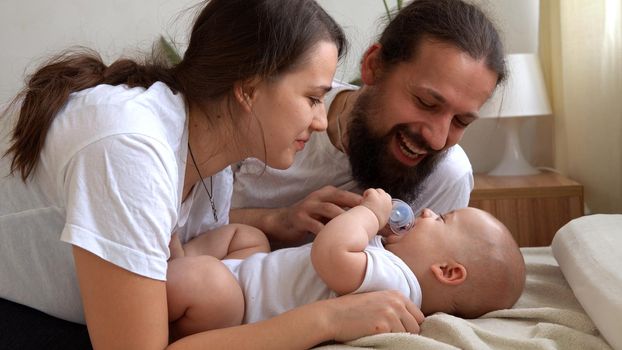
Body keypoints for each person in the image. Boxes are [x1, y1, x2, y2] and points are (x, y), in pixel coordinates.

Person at [0, 1, 425, 349]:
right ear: (249, 88)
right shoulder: (130, 148)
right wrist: (327, 318)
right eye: (313, 97)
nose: (319, 120)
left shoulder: (210, 167)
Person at [230, 0, 507, 247]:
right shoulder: (270, 113)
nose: (437, 139)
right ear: (373, 66)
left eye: (461, 121)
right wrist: (275, 221)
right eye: (426, 103)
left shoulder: (446, 176)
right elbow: (187, 228)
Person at [166, 188, 526, 339]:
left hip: (238, 309)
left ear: (447, 272)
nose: (428, 211)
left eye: (443, 219)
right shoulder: (387, 263)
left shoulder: (396, 283)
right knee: (247, 237)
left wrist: (369, 213)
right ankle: (180, 262)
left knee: (209, 283)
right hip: (250, 275)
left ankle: (168, 270)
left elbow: (330, 254)